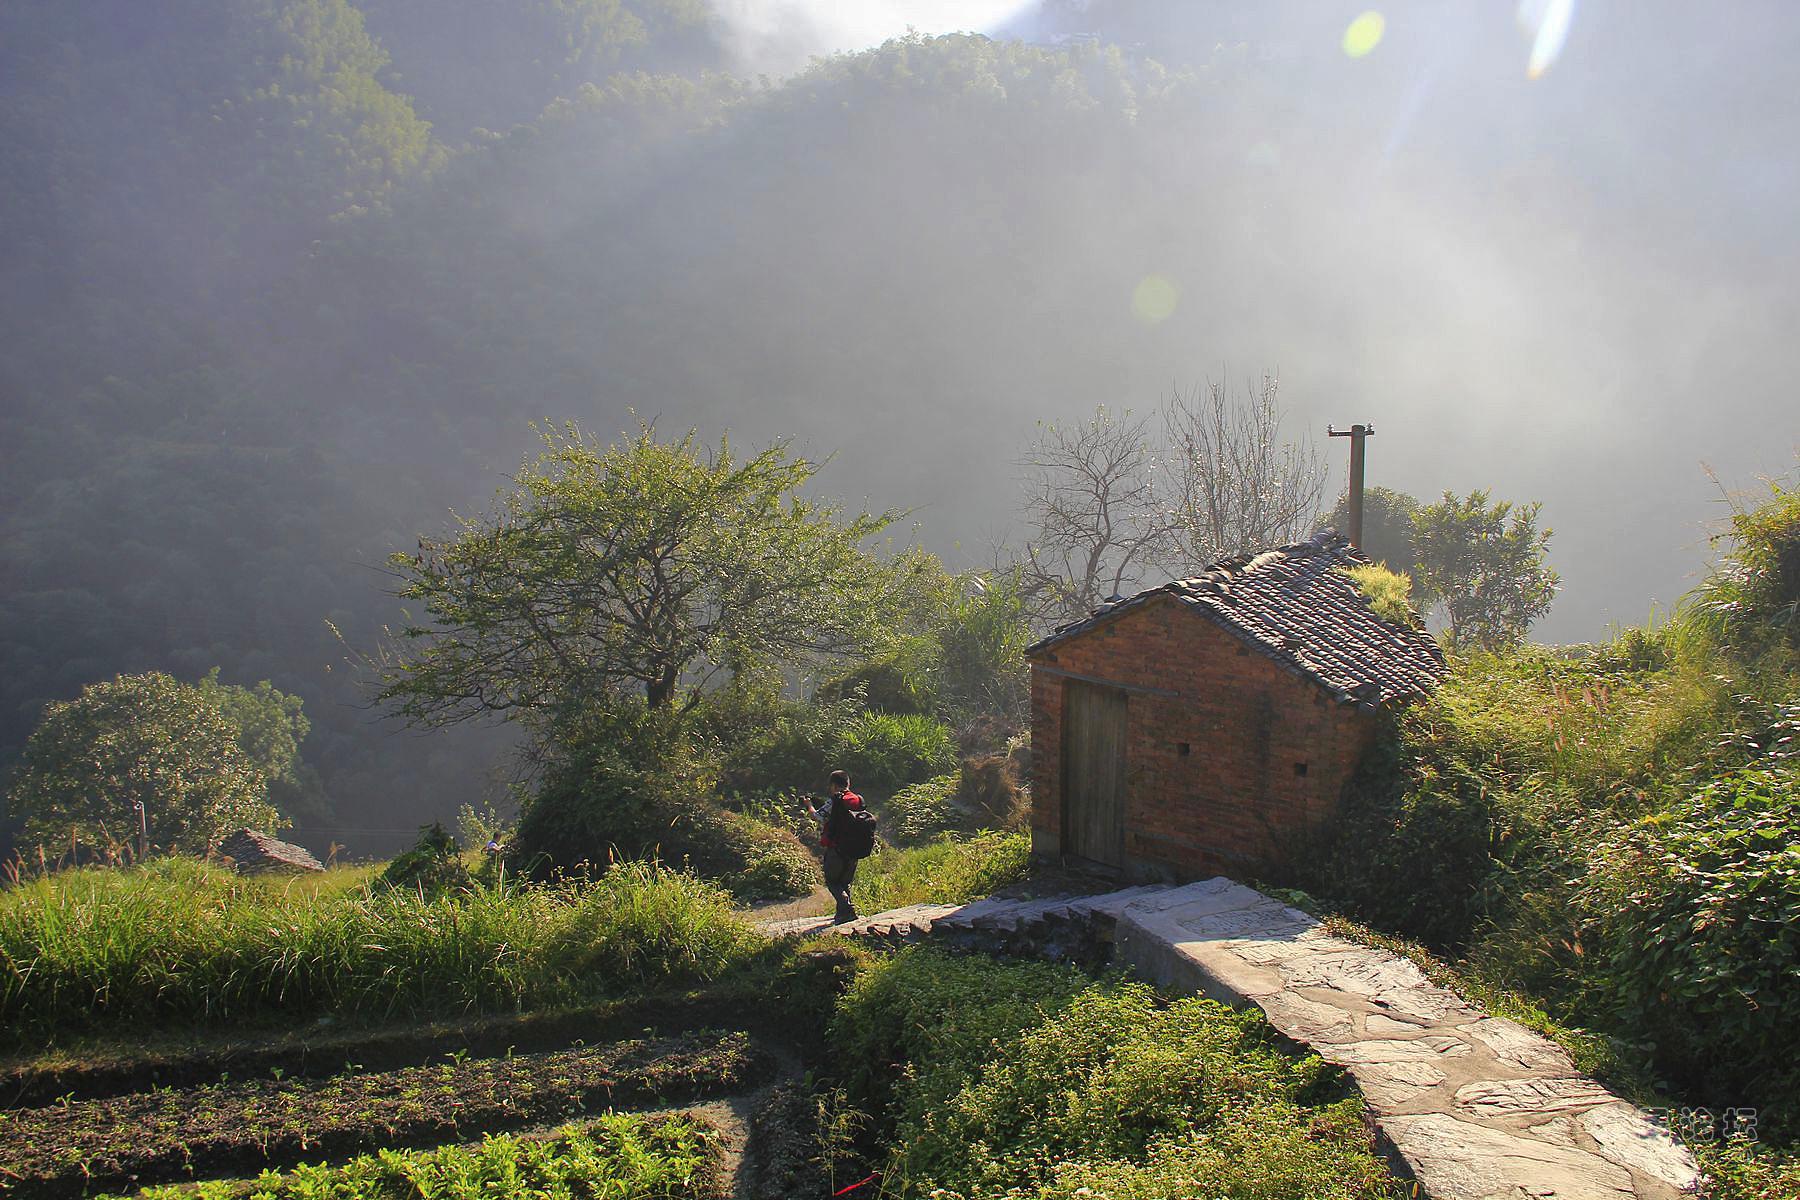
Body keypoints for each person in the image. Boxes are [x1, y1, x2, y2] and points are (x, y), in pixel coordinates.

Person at [807, 769, 866, 925]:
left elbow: (817, 816)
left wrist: (809, 805)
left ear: (833, 785)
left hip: (836, 848)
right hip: (855, 848)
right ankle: (844, 914)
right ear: (848, 783)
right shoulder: (858, 799)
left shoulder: (835, 800)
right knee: (844, 882)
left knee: (832, 881)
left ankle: (846, 907)